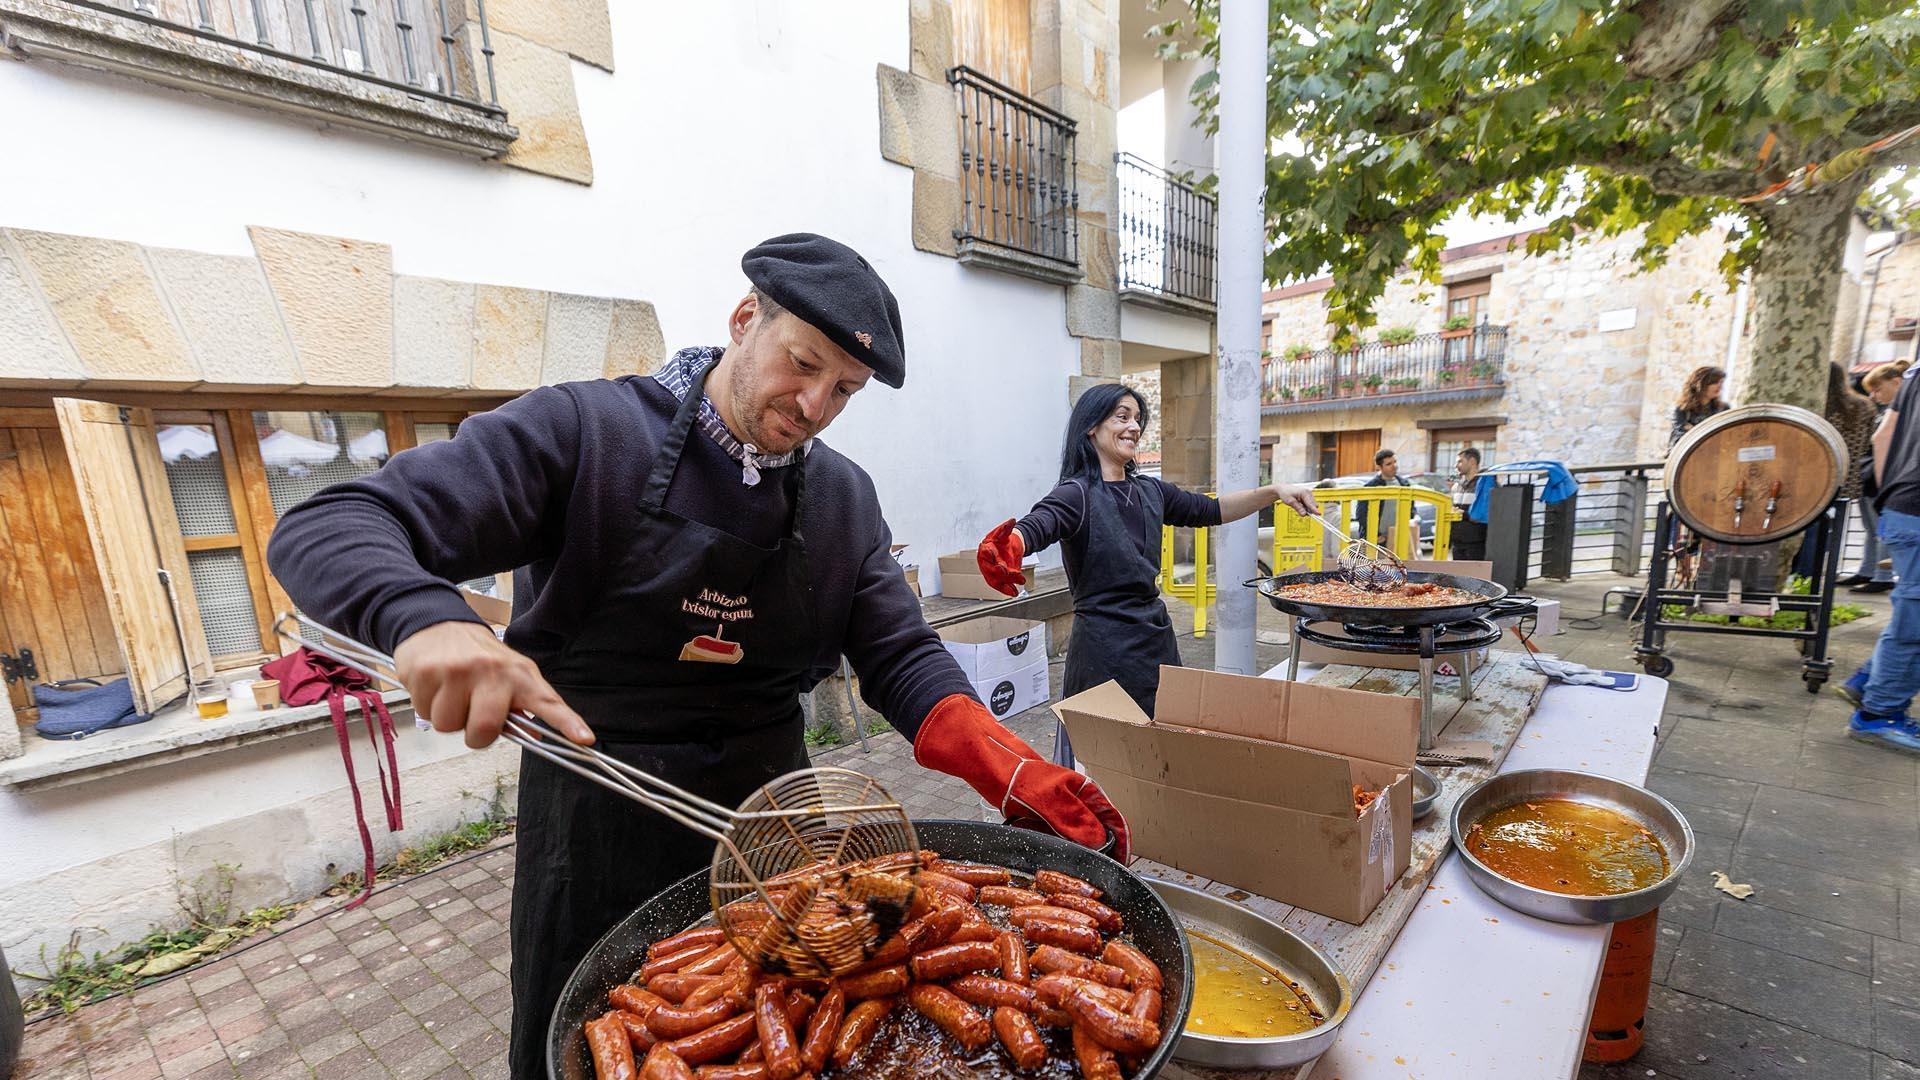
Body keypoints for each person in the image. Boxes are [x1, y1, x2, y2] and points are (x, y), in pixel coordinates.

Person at [265, 233, 1129, 1078]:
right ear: (744, 317)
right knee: (584, 1045)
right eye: (803, 363)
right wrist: (424, 617)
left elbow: (899, 654)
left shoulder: (841, 497)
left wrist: (1004, 764)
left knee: (787, 1047)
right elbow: (330, 523)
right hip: (598, 817)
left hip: (775, 830)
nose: (816, 406)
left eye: (846, 389)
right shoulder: (584, 432)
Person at [972, 383, 1318, 763]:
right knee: (1106, 764)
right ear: (1092, 427)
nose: (1134, 427)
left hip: (1155, 643)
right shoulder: (1075, 494)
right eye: (1122, 416)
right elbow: (1039, 523)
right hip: (1102, 651)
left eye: (1138, 419)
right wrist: (1012, 545)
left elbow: (1213, 510)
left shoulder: (1151, 491)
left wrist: (1274, 491)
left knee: (1163, 758)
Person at [1843, 363, 1920, 752]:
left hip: (1903, 501)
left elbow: (1885, 435)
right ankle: (1880, 713)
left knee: (1912, 612)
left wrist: (1893, 489)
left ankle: (1868, 682)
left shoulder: (1913, 376)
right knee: (1915, 622)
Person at [1794, 362, 1878, 582]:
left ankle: (1805, 576)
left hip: (1817, 476)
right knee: (1833, 528)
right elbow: (1870, 441)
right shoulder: (1864, 406)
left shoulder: (1819, 404)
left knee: (1809, 527)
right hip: (1848, 477)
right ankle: (1824, 573)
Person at [1845, 362, 1913, 592]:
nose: (1874, 396)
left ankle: (1881, 574)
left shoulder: (1901, 408)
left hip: (1885, 479)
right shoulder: (1890, 409)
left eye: (1878, 389)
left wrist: (1886, 484)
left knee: (1882, 529)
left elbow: (1881, 440)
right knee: (1873, 528)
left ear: (1896, 382)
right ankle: (1868, 570)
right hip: (1872, 475)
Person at [1667, 366, 1729, 586]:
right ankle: (1682, 573)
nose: (1719, 387)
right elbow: (1681, 437)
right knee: (1681, 524)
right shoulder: (1682, 410)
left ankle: (1700, 577)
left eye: (1721, 383)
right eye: (1715, 382)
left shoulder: (1723, 409)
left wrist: (1695, 429)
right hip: (1686, 474)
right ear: (1701, 384)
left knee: (1707, 525)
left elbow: (1724, 438)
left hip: (1714, 474)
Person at [1448, 447, 1488, 560]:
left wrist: (1463, 514)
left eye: (1460, 461)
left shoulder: (1485, 485)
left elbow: (1486, 514)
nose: (1456, 465)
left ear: (1472, 462)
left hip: (1476, 544)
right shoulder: (1457, 486)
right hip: (1457, 543)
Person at [1356, 447, 1399, 543]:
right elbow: (1361, 514)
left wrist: (1415, 516)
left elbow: (1411, 508)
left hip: (1398, 537)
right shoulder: (1371, 486)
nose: (1394, 466)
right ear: (1379, 467)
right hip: (1377, 539)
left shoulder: (1404, 484)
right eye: (1389, 464)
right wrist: (1375, 534)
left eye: (1395, 462)